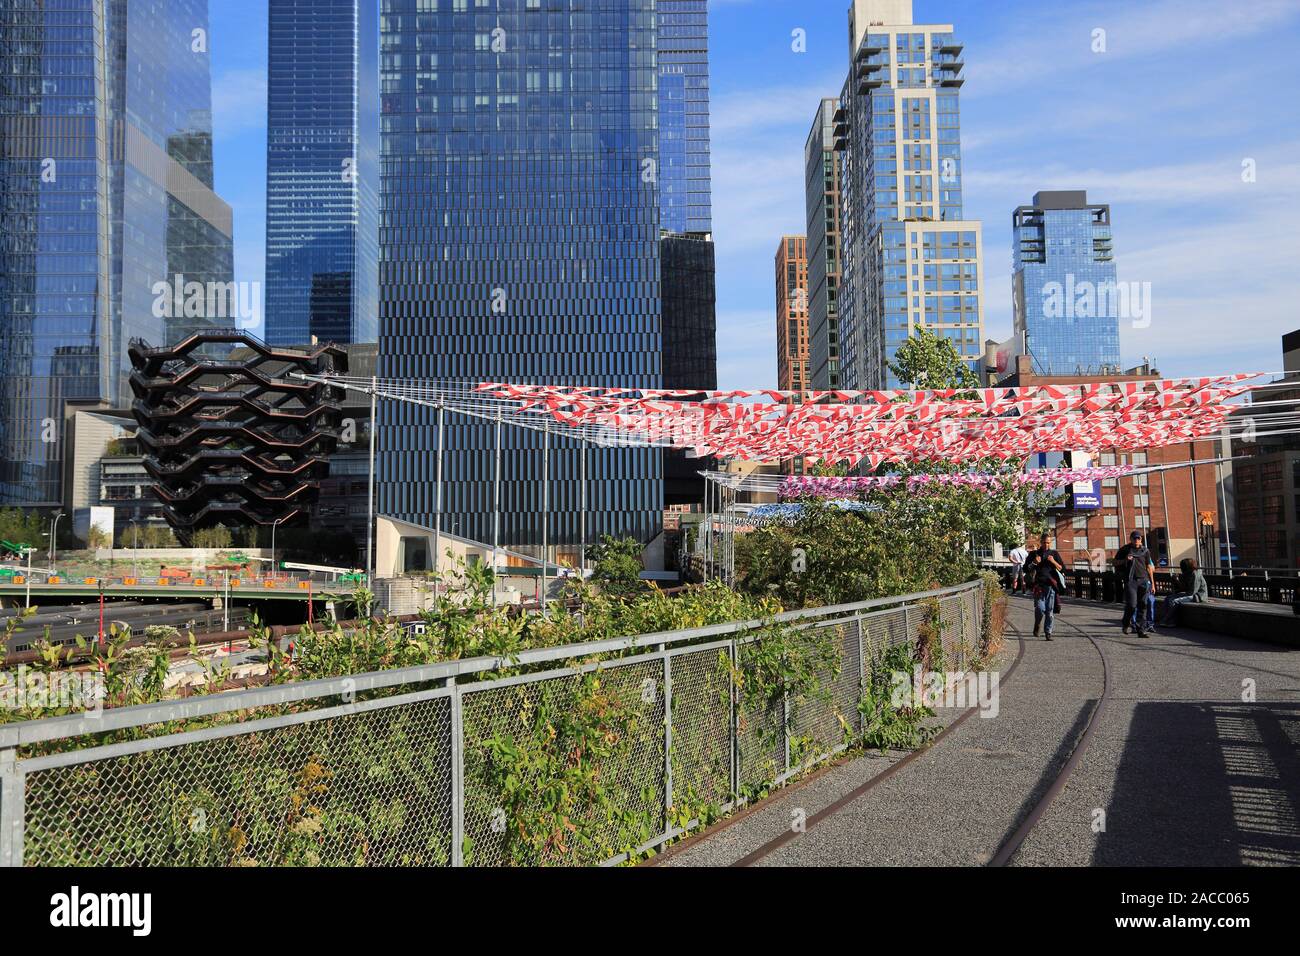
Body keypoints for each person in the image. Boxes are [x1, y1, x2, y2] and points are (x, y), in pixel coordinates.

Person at [1024, 531, 1064, 640]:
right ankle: (1037, 623)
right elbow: (1025, 568)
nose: (1047, 545)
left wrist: (1053, 561)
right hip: (1038, 586)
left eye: (1049, 543)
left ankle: (1048, 632)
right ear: (1041, 542)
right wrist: (1034, 563)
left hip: (1051, 586)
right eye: (1045, 543)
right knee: (1040, 609)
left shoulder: (1054, 554)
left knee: (1049, 611)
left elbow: (1062, 568)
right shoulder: (1034, 554)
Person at [1123, 531, 1157, 637]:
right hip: (1131, 581)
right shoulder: (1125, 550)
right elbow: (1114, 562)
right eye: (1135, 538)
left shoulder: (1145, 551)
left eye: (1139, 538)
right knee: (1132, 605)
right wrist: (1125, 559)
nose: (1137, 540)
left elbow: (1149, 567)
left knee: (1143, 605)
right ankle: (1126, 623)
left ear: (1141, 539)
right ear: (1131, 539)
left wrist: (1152, 583)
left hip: (1143, 580)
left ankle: (1141, 630)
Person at [1159, 558, 1209, 626]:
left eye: (1182, 567)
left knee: (1174, 601)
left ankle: (1167, 620)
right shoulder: (1187, 574)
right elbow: (1183, 588)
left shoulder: (1195, 575)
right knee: (1168, 598)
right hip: (1190, 594)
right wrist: (1176, 580)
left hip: (1198, 596)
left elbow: (1193, 592)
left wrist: (1180, 594)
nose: (1181, 569)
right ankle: (1170, 620)